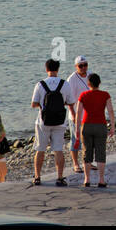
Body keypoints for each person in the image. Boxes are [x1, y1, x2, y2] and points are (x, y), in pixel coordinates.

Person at [31, 58, 76, 186]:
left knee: (40, 149)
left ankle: (38, 177)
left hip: (43, 122)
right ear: (58, 69)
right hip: (59, 122)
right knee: (58, 150)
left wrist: (42, 105)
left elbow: (33, 104)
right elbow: (71, 102)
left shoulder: (40, 84)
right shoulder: (65, 84)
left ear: (46, 69)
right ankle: (60, 177)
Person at [75, 72, 114, 188]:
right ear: (99, 83)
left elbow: (78, 113)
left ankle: (87, 179)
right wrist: (112, 126)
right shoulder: (105, 95)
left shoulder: (83, 95)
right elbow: (110, 111)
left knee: (87, 152)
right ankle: (101, 180)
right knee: (101, 152)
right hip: (101, 125)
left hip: (86, 125)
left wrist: (77, 129)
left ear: (88, 83)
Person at [64, 55, 92, 174]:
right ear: (76, 67)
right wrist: (73, 114)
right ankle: (76, 163)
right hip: (76, 114)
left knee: (89, 139)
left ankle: (88, 161)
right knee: (76, 139)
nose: (83, 68)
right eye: (81, 66)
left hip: (89, 114)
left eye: (85, 65)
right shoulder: (72, 79)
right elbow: (69, 99)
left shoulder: (90, 75)